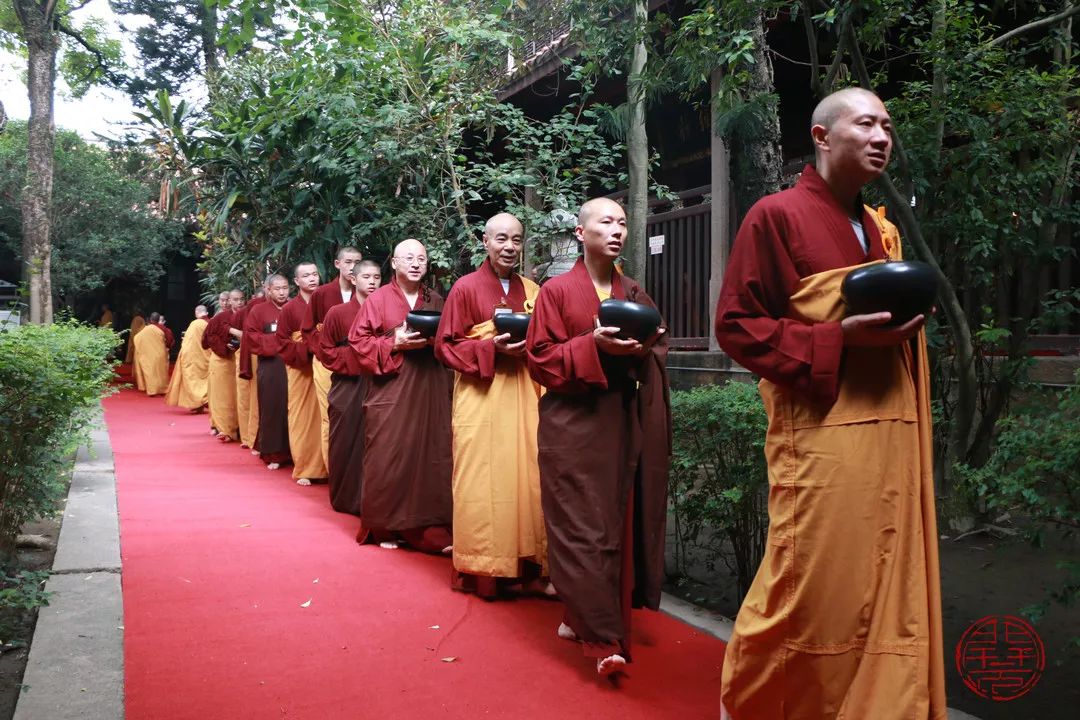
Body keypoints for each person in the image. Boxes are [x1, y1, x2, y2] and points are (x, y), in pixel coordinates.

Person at [713, 87, 945, 720]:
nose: (882, 137)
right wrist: (832, 337)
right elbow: (734, 325)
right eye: (866, 124)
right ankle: (761, 702)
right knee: (811, 581)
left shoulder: (881, 229)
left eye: (888, 128)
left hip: (889, 427)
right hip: (821, 431)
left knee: (883, 577)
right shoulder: (777, 215)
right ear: (821, 136)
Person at [525, 197, 670, 676]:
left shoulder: (633, 290)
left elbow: (658, 344)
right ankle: (603, 638)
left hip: (619, 423)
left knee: (613, 525)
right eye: (605, 222)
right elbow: (539, 359)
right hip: (572, 426)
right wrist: (591, 344)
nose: (617, 230)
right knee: (581, 528)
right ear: (581, 234)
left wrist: (643, 345)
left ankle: (577, 614)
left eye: (622, 223)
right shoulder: (557, 291)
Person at [435, 213, 549, 599]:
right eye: (501, 239)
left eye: (517, 240)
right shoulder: (465, 289)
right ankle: (483, 568)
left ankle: (527, 566)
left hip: (524, 393)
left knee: (527, 476)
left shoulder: (533, 289)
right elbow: (445, 346)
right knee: (482, 479)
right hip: (481, 395)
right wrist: (489, 347)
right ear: (485, 242)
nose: (510, 247)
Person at [348, 239, 453, 554]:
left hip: (430, 386)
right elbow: (358, 342)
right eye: (409, 258)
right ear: (393, 263)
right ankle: (386, 525)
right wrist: (393, 343)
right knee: (388, 452)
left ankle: (429, 525)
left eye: (421, 258)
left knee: (433, 452)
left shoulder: (435, 299)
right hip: (392, 388)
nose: (416, 263)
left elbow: (452, 339)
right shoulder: (378, 299)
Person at [317, 259, 381, 514]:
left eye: (377, 277)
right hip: (347, 384)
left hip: (379, 382)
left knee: (377, 440)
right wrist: (359, 359)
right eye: (367, 277)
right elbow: (325, 351)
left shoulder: (385, 310)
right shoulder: (337, 313)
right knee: (345, 438)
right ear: (354, 279)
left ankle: (373, 499)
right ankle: (345, 497)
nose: (373, 282)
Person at [303, 247, 364, 468]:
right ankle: (333, 468)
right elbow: (308, 329)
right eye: (348, 261)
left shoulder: (369, 292)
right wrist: (323, 353)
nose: (352, 266)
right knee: (331, 414)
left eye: (357, 262)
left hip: (361, 362)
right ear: (337, 264)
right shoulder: (322, 294)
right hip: (328, 361)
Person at [276, 262, 327, 486]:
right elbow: (282, 342)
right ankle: (305, 466)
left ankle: (328, 465)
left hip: (326, 365)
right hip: (301, 368)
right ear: (297, 282)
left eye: (315, 274)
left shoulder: (328, 301)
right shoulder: (289, 309)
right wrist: (307, 347)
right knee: (302, 417)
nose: (312, 279)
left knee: (325, 416)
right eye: (306, 276)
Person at [244, 275, 292, 471]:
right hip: (271, 365)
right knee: (273, 407)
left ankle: (296, 450)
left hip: (295, 364)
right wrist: (280, 341)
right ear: (269, 290)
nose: (282, 292)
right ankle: (274, 452)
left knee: (294, 408)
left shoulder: (294, 307)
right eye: (277, 289)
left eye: (285, 288)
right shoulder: (259, 310)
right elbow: (251, 337)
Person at [204, 291, 241, 442]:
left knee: (236, 395)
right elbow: (207, 339)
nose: (226, 303)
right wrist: (224, 346)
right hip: (221, 359)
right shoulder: (218, 318)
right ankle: (222, 427)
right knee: (221, 395)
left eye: (240, 299)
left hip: (239, 360)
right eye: (223, 300)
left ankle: (237, 427)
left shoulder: (244, 316)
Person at [233, 289, 264, 450]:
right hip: (251, 356)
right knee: (249, 397)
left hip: (263, 357)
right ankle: (248, 435)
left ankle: (249, 436)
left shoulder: (285, 308)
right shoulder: (249, 310)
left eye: (240, 299)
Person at [165, 305, 211, 412]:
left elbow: (186, 343)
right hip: (206, 357)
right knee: (204, 381)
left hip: (193, 357)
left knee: (194, 381)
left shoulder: (194, 324)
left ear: (196, 313)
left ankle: (199, 402)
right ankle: (200, 403)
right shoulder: (210, 323)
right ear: (207, 313)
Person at [132, 311, 170, 396]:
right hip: (161, 354)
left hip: (149, 354)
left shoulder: (146, 329)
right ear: (158, 320)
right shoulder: (161, 330)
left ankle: (152, 391)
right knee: (161, 372)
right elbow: (169, 340)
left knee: (150, 372)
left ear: (150, 320)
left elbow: (136, 338)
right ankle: (163, 390)